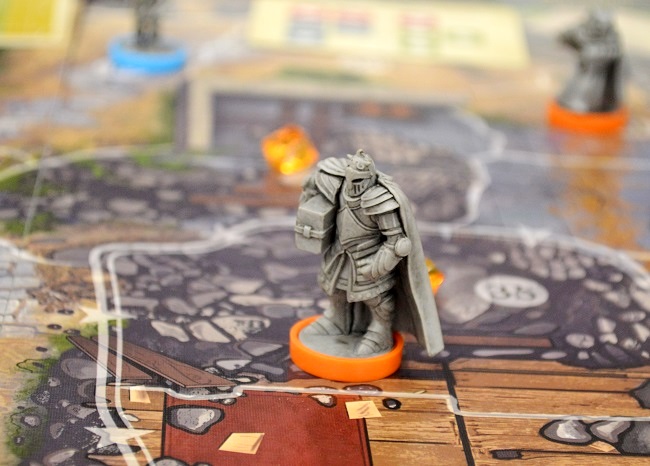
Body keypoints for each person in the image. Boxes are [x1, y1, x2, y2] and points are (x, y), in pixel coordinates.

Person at [295, 150, 443, 357]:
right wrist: (311, 185)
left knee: (376, 299)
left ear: (370, 177)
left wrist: (377, 265)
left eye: (359, 180)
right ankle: (337, 321)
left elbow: (398, 243)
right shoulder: (338, 184)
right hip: (339, 252)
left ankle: (380, 332)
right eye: (351, 178)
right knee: (334, 288)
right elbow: (316, 180)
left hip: (367, 256)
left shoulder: (379, 200)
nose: (354, 185)